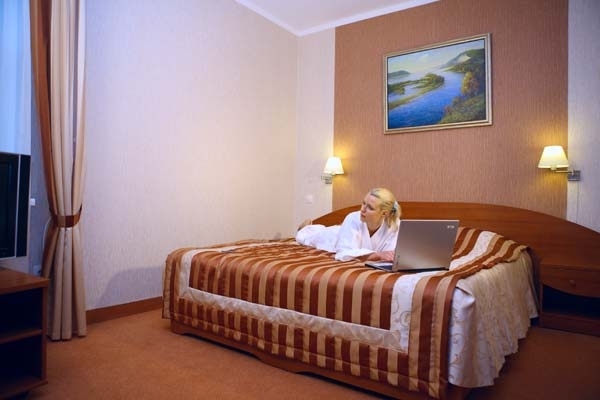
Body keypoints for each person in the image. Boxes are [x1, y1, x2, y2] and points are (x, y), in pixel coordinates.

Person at [296, 187, 401, 262]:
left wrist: (382, 256)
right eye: (363, 203)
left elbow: (391, 254)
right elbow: (344, 252)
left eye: (370, 207)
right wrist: (377, 255)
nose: (362, 209)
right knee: (310, 237)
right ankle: (305, 228)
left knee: (328, 229)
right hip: (334, 237)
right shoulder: (353, 217)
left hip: (343, 231)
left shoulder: (394, 224)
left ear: (384, 213)